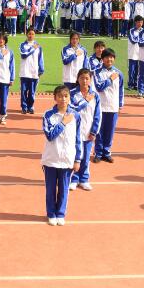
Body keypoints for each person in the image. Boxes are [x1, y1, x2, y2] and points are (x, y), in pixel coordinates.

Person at [41, 85, 82, 226]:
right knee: (51, 189)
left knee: (64, 189)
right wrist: (63, 123)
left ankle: (60, 213)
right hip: (51, 159)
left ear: (69, 98)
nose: (63, 99)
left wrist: (77, 159)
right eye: (60, 96)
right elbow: (50, 135)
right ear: (55, 98)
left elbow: (78, 139)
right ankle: (51, 213)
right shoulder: (48, 115)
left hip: (67, 159)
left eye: (66, 96)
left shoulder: (76, 115)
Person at [69, 69, 101, 191]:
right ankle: (74, 179)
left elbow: (98, 115)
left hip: (88, 131)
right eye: (82, 78)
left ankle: (84, 179)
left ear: (90, 80)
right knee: (75, 156)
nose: (84, 81)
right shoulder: (71, 94)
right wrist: (85, 101)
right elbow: (72, 110)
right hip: (74, 131)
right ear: (78, 79)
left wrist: (94, 131)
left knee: (86, 156)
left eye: (87, 78)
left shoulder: (95, 95)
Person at [93, 48, 123, 163]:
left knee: (110, 131)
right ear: (102, 59)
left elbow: (121, 91)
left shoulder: (118, 73)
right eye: (107, 57)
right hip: (101, 106)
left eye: (111, 57)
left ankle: (107, 152)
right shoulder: (96, 72)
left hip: (113, 107)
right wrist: (110, 79)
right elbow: (99, 87)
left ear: (114, 59)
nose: (109, 59)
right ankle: (98, 153)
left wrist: (120, 104)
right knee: (99, 131)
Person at [19, 27, 44, 114]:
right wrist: (33, 48)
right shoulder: (23, 45)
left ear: (35, 35)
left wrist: (41, 70)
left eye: (32, 34)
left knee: (32, 91)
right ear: (26, 34)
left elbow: (40, 59)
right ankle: (24, 107)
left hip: (34, 72)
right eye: (29, 34)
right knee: (24, 91)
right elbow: (23, 55)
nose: (31, 36)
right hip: (24, 72)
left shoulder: (39, 47)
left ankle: (31, 106)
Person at [127, 16, 143, 90]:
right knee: (131, 70)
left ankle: (136, 84)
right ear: (135, 22)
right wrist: (141, 37)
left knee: (138, 70)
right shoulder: (131, 30)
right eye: (138, 22)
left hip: (141, 53)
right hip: (132, 53)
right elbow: (133, 40)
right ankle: (130, 84)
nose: (140, 24)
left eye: (141, 22)